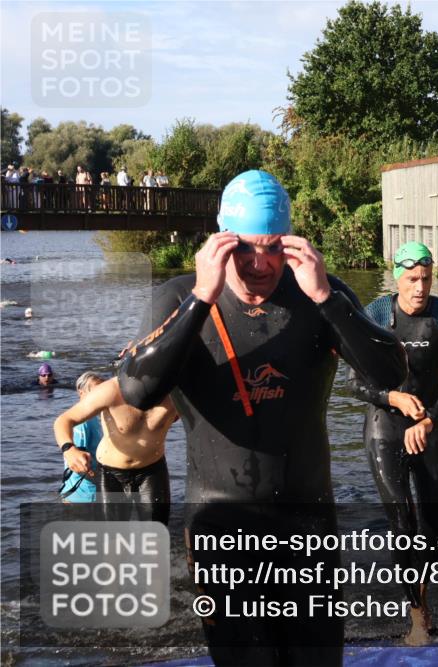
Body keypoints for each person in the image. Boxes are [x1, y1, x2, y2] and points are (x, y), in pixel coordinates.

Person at [117, 169, 406, 666]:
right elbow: (138, 390)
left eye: (272, 247)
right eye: (244, 248)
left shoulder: (319, 293)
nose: (258, 264)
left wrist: (325, 299)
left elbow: (390, 373)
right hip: (221, 528)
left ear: (290, 242)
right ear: (220, 242)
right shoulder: (179, 297)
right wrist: (202, 299)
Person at [347, 241, 438, 646]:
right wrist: (393, 397)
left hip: (428, 427)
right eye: (412, 279)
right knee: (403, 523)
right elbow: (354, 382)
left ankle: (421, 592)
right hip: (385, 427)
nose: (420, 287)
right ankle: (417, 614)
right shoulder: (378, 314)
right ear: (397, 276)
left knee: (435, 532)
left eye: (427, 278)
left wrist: (430, 419)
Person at [53, 374, 177, 524]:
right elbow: (64, 420)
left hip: (152, 471)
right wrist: (69, 449)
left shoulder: (178, 395)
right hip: (112, 473)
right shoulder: (111, 390)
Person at [57, 372, 104, 503]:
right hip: (82, 494)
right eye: (95, 392)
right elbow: (78, 463)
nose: (102, 397)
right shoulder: (82, 423)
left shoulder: (94, 418)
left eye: (103, 392)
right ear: (81, 392)